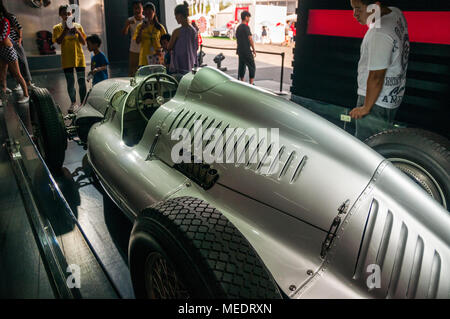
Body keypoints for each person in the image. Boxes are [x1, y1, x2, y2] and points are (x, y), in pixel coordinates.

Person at [349, 0, 409, 141]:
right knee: (381, 142)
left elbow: (376, 76)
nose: (354, 14)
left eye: (358, 9)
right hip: (392, 96)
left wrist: (365, 108)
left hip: (375, 102)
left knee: (367, 147)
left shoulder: (379, 33)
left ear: (375, 6)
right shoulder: (395, 13)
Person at [52, 4, 87, 113]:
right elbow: (58, 41)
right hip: (67, 59)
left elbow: (84, 42)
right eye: (64, 14)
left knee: (81, 81)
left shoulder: (78, 26)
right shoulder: (57, 28)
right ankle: (73, 103)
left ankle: (83, 103)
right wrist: (65, 30)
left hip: (79, 58)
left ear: (71, 14)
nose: (66, 16)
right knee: (70, 82)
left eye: (68, 13)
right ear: (60, 15)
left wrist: (77, 31)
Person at [0, 3, 28, 104]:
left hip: (8, 49)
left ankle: (26, 94)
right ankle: (2, 98)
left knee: (17, 74)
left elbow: (3, 36)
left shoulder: (5, 20)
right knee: (2, 75)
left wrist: (19, 39)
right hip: (1, 50)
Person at [167, 1, 198, 75]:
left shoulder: (177, 32)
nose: (175, 18)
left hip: (180, 66)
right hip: (192, 64)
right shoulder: (194, 30)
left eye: (176, 16)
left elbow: (169, 47)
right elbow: (196, 47)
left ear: (180, 15)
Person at [133, 2, 166, 67]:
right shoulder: (140, 26)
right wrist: (141, 30)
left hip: (158, 57)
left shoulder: (160, 27)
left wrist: (161, 49)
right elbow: (137, 41)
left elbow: (166, 42)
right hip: (144, 58)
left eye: (150, 12)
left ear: (154, 13)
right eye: (146, 13)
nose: (148, 15)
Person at [6, 11, 33, 88]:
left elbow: (19, 28)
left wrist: (20, 39)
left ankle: (28, 82)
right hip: (5, 43)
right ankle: (18, 83)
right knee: (11, 65)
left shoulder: (10, 16)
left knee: (23, 62)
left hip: (15, 41)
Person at [122, 0, 143, 76]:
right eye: (135, 8)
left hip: (145, 49)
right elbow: (124, 33)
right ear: (133, 9)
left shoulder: (146, 20)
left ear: (142, 9)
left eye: (138, 8)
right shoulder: (129, 20)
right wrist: (127, 24)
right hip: (133, 49)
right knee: (132, 71)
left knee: (144, 70)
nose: (137, 10)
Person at [235, 11, 256, 85]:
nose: (249, 19)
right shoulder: (246, 27)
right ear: (246, 17)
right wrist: (253, 50)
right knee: (252, 66)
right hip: (246, 50)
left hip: (240, 50)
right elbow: (250, 39)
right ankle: (251, 83)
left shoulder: (238, 27)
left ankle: (242, 82)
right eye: (249, 17)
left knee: (242, 66)